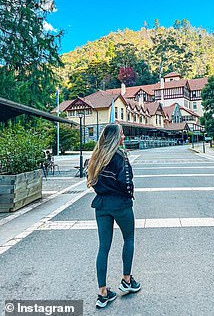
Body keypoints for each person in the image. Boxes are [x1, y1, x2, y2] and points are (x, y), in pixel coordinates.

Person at [87, 123, 141, 309]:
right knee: (129, 238)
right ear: (115, 138)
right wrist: (127, 197)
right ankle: (127, 280)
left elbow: (92, 181)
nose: (124, 137)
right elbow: (127, 182)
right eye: (122, 134)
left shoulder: (96, 156)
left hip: (101, 205)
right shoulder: (120, 157)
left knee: (103, 248)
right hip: (120, 204)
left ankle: (103, 293)